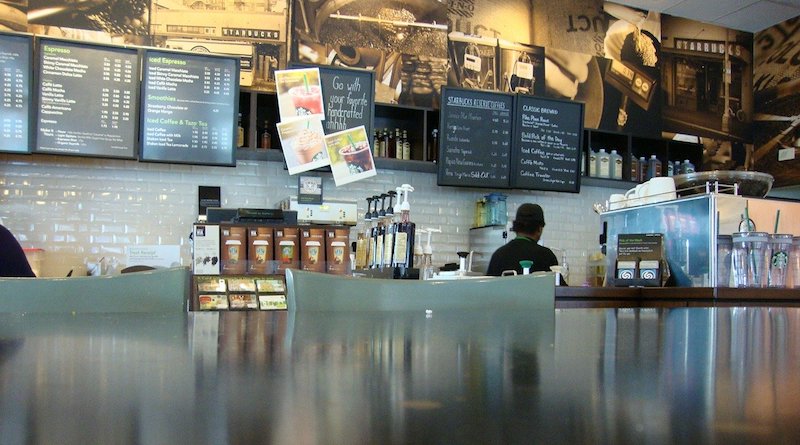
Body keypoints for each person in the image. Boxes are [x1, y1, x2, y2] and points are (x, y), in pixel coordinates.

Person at [486, 203, 559, 279]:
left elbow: (488, 285)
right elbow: (559, 285)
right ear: (539, 229)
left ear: (516, 227)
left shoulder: (498, 255)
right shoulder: (546, 256)